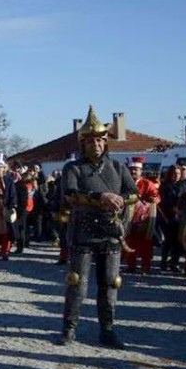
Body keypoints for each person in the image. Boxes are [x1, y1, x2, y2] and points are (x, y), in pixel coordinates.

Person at [59, 106, 138, 349]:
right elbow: (71, 195)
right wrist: (100, 196)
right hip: (83, 231)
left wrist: (120, 200)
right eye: (91, 140)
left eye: (100, 140)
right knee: (77, 283)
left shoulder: (117, 168)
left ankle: (108, 330)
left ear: (106, 143)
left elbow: (133, 193)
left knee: (110, 283)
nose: (96, 144)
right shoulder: (72, 168)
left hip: (110, 232)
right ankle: (69, 329)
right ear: (83, 143)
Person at [122, 157, 160, 275]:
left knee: (145, 244)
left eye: (136, 169)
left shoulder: (147, 183)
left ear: (140, 171)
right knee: (129, 242)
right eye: (131, 169)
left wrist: (152, 199)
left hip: (144, 218)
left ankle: (145, 267)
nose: (133, 171)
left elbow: (156, 197)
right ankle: (131, 265)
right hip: (128, 218)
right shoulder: (124, 183)